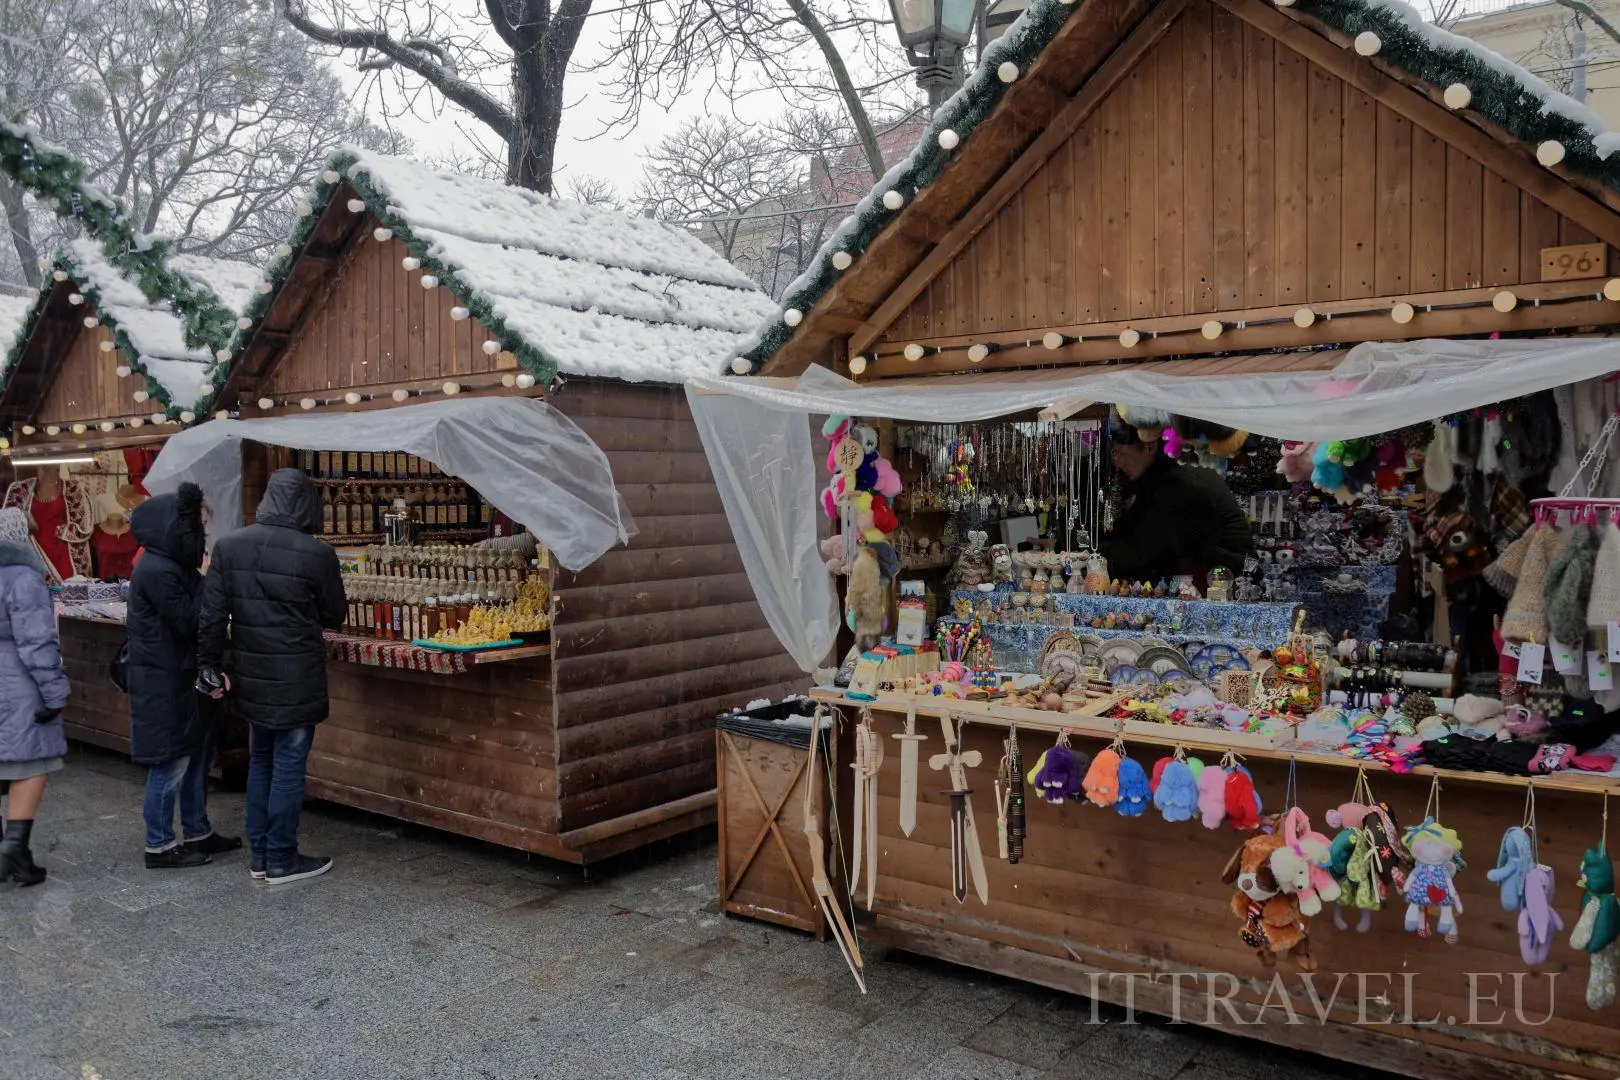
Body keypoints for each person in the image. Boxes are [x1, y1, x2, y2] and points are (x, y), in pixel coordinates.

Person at [199, 468, 345, 885]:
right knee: (288, 765)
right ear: (306, 504)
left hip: (252, 671)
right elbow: (334, 614)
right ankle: (281, 856)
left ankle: (260, 853)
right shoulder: (316, 553)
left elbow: (211, 615)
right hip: (296, 672)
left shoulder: (229, 547)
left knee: (261, 758)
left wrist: (208, 666)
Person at [128, 482, 241, 869]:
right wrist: (210, 579)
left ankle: (197, 831)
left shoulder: (171, 564)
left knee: (196, 757)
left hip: (181, 676)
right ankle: (158, 845)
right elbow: (190, 620)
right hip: (165, 681)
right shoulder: (158, 569)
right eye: (200, 524)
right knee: (171, 763)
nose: (205, 532)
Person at [0, 507, 70, 886]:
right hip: (17, 682)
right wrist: (56, 692)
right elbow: (36, 643)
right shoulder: (24, 578)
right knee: (31, 762)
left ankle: (15, 854)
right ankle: (13, 846)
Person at [1101, 420, 1253, 588]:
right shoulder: (1164, 479)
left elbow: (1143, 550)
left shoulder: (1178, 484)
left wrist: (1094, 556)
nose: (1118, 463)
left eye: (1122, 454)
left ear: (1149, 448)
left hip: (1226, 581)